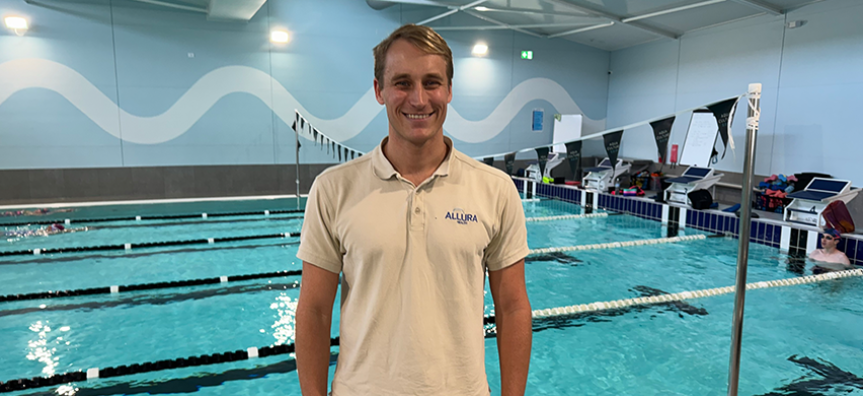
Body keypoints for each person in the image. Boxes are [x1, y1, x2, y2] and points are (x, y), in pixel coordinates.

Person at [295, 24, 532, 396]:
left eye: (432, 82)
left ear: (450, 90)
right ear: (379, 91)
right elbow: (313, 311)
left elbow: (513, 307)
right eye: (402, 82)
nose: (419, 99)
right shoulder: (333, 189)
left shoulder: (495, 190)